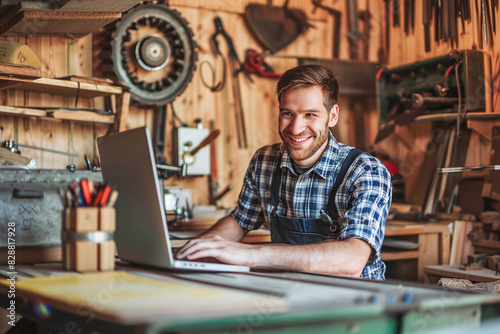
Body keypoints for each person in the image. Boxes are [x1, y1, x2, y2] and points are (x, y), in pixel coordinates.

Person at [176, 64, 392, 279]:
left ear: (333, 116)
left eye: (310, 114)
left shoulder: (366, 171)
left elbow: (352, 260)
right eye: (288, 113)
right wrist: (199, 249)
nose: (296, 128)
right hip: (288, 295)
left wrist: (250, 254)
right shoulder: (264, 161)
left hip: (354, 303)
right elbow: (240, 220)